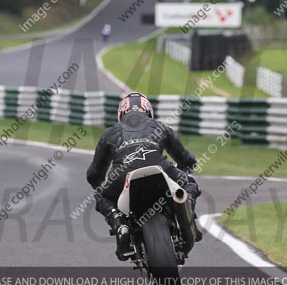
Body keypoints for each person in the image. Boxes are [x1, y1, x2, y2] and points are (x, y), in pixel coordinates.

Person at [86, 92, 201, 260]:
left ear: (121, 114)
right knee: (189, 184)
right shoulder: (160, 127)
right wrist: (184, 170)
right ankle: (187, 217)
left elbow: (94, 174)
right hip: (160, 167)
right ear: (148, 112)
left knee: (101, 196)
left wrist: (101, 187)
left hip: (122, 175)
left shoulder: (110, 133)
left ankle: (119, 225)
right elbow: (187, 159)